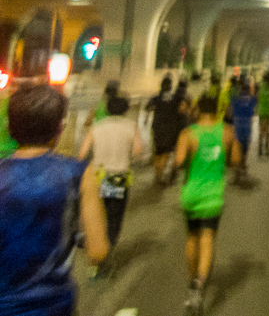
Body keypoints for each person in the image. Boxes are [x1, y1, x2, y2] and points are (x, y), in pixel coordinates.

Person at [0, 83, 108, 315]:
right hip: (55, 306)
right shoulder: (78, 173)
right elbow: (98, 250)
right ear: (58, 130)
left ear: (10, 129)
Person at [175, 92, 240, 313]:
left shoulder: (188, 134)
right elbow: (235, 161)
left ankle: (192, 279)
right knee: (208, 239)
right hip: (214, 195)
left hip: (191, 193)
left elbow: (179, 162)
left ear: (199, 109)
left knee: (192, 238)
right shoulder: (227, 132)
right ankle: (200, 284)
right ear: (217, 110)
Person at [79, 95, 144, 275]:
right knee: (114, 217)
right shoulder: (130, 126)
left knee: (98, 216)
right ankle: (106, 252)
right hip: (117, 176)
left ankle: (95, 253)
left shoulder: (97, 126)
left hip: (97, 175)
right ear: (126, 110)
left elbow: (82, 152)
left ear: (107, 109)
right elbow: (138, 150)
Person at [147, 75, 183, 185]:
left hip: (158, 128)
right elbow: (182, 108)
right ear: (171, 87)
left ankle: (158, 173)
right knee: (166, 152)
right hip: (170, 129)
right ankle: (161, 173)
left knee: (158, 151)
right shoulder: (175, 98)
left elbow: (148, 108)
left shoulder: (156, 98)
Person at [229, 77, 257, 182]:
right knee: (245, 147)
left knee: (237, 147)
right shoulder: (251, 100)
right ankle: (243, 164)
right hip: (247, 126)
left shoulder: (236, 100)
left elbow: (231, 98)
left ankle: (236, 169)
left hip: (237, 125)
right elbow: (254, 98)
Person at [257, 71, 269, 156]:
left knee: (262, 130)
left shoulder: (262, 86)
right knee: (267, 131)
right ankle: (266, 148)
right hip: (266, 112)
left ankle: (260, 148)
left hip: (262, 111)